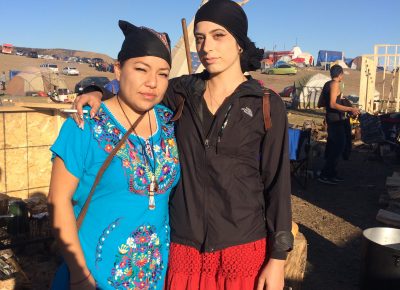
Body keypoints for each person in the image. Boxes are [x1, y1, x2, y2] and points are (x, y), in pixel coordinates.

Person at [75, 1, 293, 289]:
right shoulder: (180, 92)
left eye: (218, 36)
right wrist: (97, 91)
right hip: (184, 248)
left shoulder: (265, 104)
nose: (206, 47)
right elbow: (138, 91)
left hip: (242, 248)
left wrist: (277, 258)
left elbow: (278, 183)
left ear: (239, 43)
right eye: (200, 38)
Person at [48, 20, 180, 289]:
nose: (152, 82)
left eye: (163, 74)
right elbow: (57, 200)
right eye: (141, 69)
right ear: (118, 70)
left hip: (153, 276)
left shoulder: (168, 122)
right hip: (92, 278)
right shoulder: (86, 125)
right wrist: (79, 273)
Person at [318, 64, 360, 185]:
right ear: (340, 74)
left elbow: (320, 103)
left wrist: (339, 99)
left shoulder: (327, 84)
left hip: (330, 118)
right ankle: (326, 175)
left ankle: (331, 173)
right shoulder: (335, 84)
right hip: (336, 119)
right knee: (339, 147)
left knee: (333, 146)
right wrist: (349, 108)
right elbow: (332, 104)